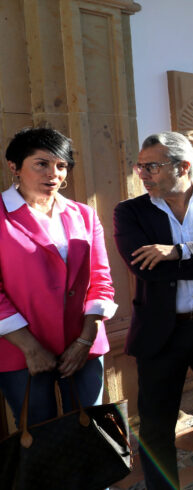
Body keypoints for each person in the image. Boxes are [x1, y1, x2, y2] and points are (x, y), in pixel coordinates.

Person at [113, 132, 193, 490]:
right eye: (139, 166)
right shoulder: (130, 212)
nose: (142, 174)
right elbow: (144, 267)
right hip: (160, 332)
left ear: (182, 167)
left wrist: (178, 251)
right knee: (156, 425)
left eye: (151, 166)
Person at [0, 127, 117, 427]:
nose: (54, 174)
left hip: (82, 345)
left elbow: (101, 279)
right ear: (14, 166)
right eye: (42, 164)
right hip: (20, 350)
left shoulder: (84, 214)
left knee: (90, 429)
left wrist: (85, 340)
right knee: (39, 434)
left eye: (61, 165)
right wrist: (30, 347)